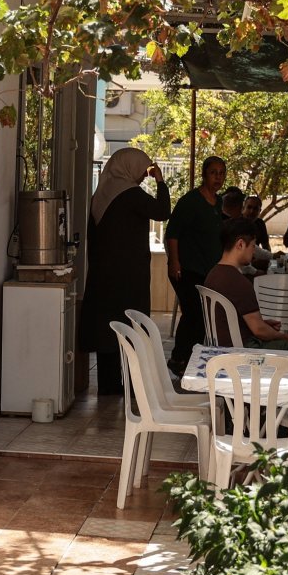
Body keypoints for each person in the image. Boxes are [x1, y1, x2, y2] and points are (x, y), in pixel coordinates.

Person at [77, 147, 171, 395]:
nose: (143, 176)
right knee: (131, 328)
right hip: (127, 276)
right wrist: (160, 181)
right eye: (142, 170)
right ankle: (133, 385)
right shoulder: (130, 194)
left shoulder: (101, 193)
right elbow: (163, 211)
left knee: (107, 329)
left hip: (103, 275)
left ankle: (108, 386)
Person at [165, 156, 227, 372]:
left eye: (221, 173)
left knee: (203, 316)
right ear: (204, 174)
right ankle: (179, 359)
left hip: (208, 271)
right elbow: (172, 234)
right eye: (213, 172)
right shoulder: (190, 201)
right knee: (194, 314)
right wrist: (174, 261)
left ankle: (191, 358)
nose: (218, 177)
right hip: (187, 268)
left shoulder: (218, 203)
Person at [203, 219, 288, 350]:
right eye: (253, 246)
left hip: (221, 345)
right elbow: (259, 330)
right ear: (241, 244)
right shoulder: (238, 281)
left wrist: (263, 324)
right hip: (243, 349)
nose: (253, 251)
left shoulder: (213, 274)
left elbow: (229, 320)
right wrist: (284, 337)